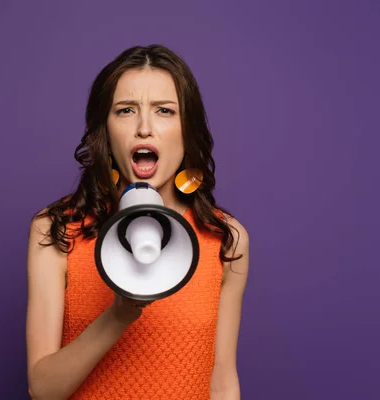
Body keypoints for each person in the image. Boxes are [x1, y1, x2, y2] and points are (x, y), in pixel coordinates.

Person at [25, 44, 249, 400]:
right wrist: (118, 315)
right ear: (105, 131)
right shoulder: (55, 230)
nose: (144, 128)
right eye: (126, 110)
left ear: (187, 129)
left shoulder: (225, 238)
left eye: (164, 111)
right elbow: (43, 390)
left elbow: (222, 382)